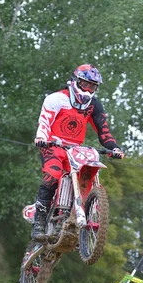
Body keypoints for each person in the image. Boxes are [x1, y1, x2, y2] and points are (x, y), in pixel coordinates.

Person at [31, 64, 125, 240]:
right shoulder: (56, 99)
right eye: (86, 84)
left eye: (93, 86)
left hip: (75, 150)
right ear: (76, 81)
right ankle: (39, 221)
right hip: (53, 146)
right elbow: (44, 122)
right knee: (53, 174)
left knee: (86, 174)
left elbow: (103, 132)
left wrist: (114, 148)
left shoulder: (94, 105)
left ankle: (78, 217)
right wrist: (41, 137)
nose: (89, 90)